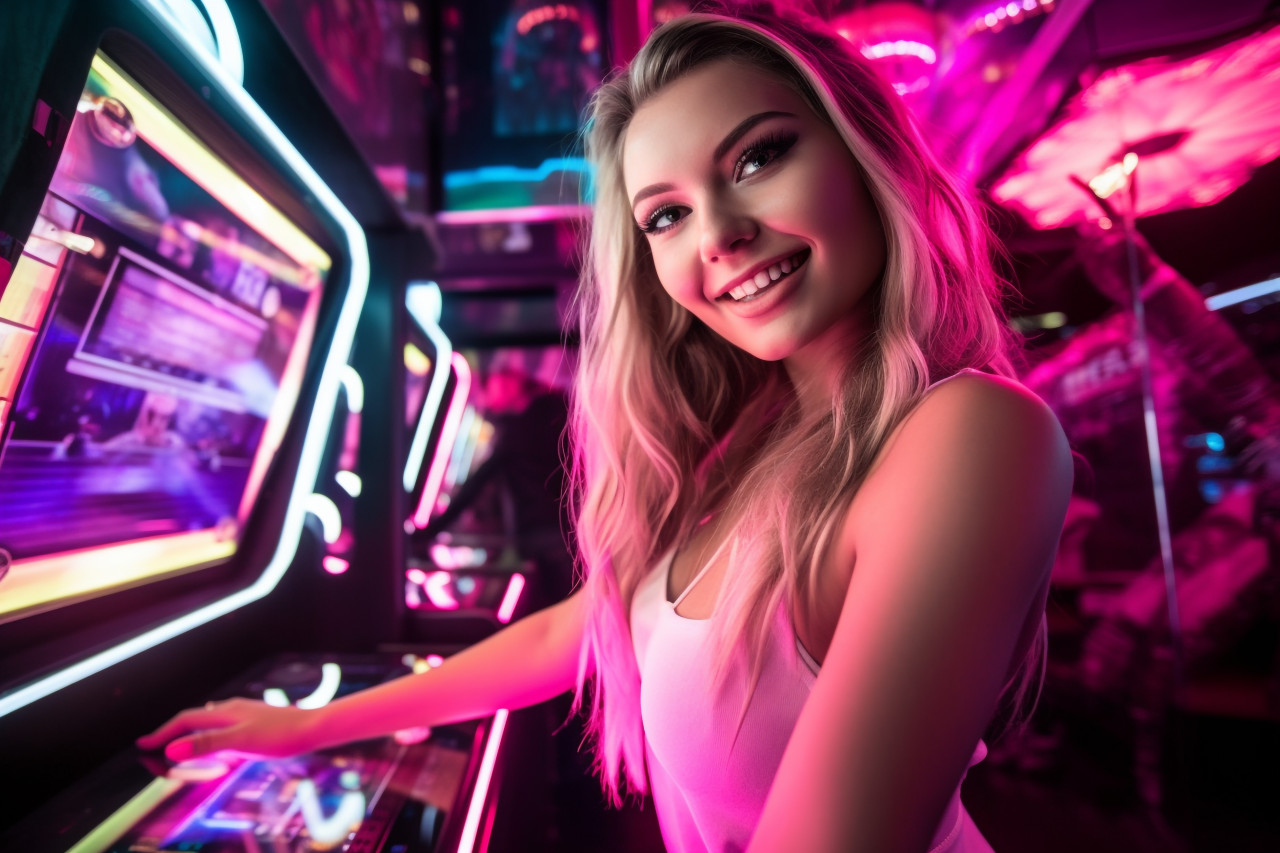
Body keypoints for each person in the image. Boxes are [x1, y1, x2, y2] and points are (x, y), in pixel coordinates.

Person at [138, 7, 1072, 852]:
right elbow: (581, 634)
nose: (719, 234)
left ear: (868, 155)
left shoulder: (971, 431)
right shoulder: (756, 436)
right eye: (667, 214)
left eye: (758, 158)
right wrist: (307, 726)